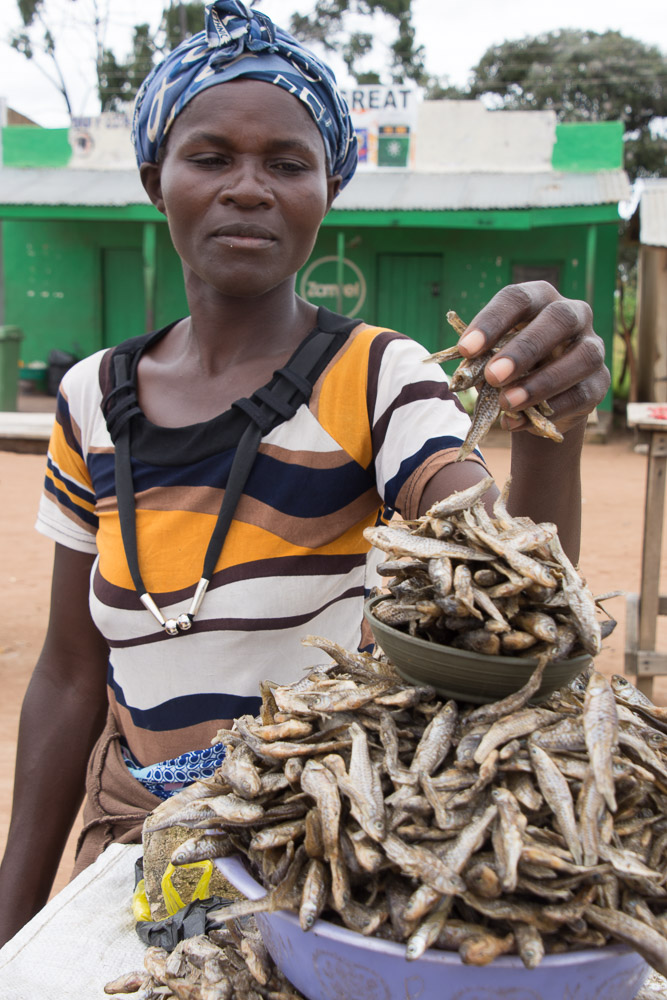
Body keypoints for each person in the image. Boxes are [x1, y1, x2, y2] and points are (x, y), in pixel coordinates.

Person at [0, 0, 609, 947]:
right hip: (135, 845)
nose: (249, 187)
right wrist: (15, 922)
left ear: (329, 188)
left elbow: (508, 580)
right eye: (211, 157)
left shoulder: (377, 376)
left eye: (287, 163)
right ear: (157, 178)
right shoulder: (92, 397)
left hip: (326, 861)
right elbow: (72, 675)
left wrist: (541, 429)